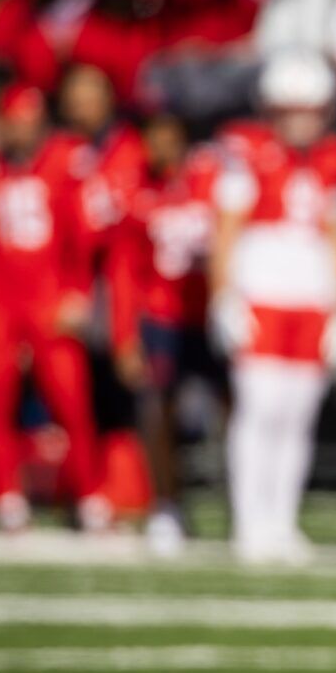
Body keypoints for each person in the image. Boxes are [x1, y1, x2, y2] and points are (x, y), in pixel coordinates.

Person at [209, 52, 336, 565]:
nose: (302, 119)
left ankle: (281, 520)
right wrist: (223, 296)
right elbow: (225, 231)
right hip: (263, 293)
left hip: (312, 298)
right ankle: (251, 521)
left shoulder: (331, 159)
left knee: (297, 415)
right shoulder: (247, 154)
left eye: (310, 108)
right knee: (260, 408)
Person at [0, 85, 108, 530]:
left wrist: (79, 292)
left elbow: (84, 238)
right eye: (13, 121)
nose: (20, 130)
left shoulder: (67, 164)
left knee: (71, 398)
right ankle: (6, 495)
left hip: (49, 292)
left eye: (27, 121)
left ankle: (89, 493)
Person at [106, 113, 222, 556]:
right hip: (159, 316)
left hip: (207, 313)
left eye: (169, 138)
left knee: (231, 405)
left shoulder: (210, 184)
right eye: (153, 139)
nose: (161, 148)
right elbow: (122, 272)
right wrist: (124, 336)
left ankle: (245, 503)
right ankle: (167, 505)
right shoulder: (135, 194)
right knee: (158, 410)